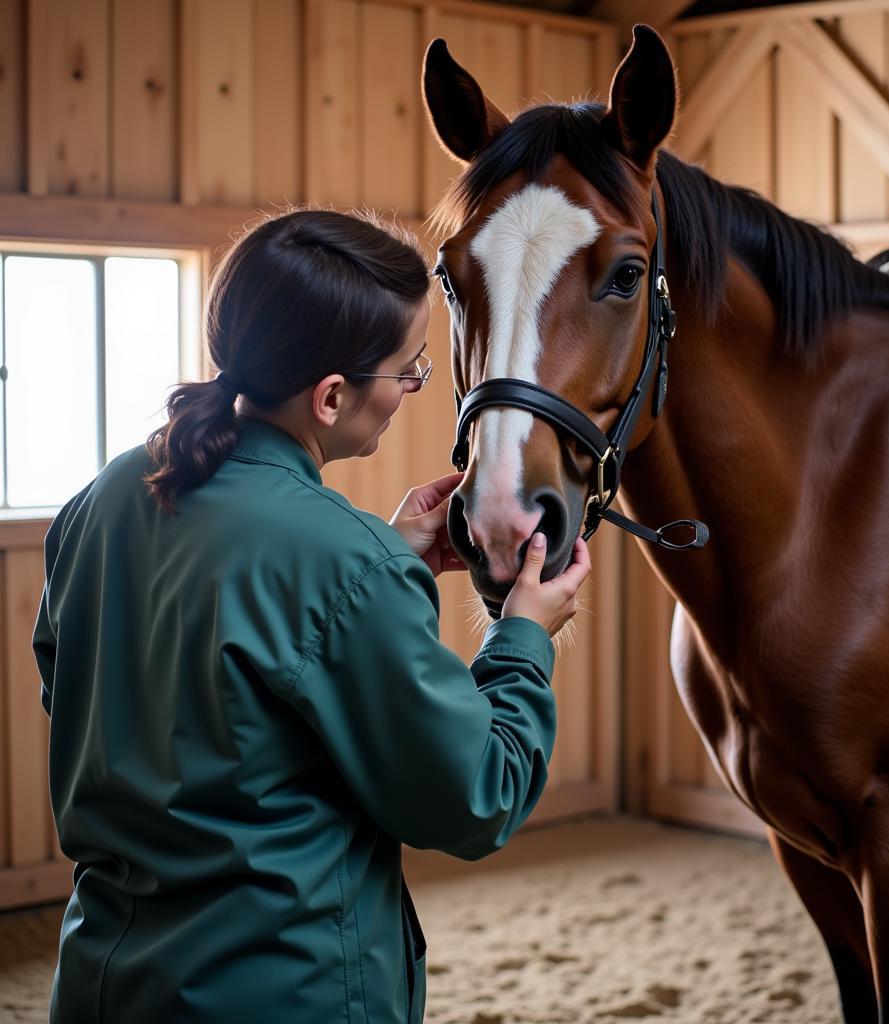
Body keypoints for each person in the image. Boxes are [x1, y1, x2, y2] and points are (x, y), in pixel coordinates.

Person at [32, 208, 590, 1023]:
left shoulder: (106, 495)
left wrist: (389, 558)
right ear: (332, 396)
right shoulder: (344, 562)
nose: (409, 392)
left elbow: (102, 685)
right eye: (410, 372)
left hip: (101, 987)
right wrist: (522, 638)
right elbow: (478, 795)